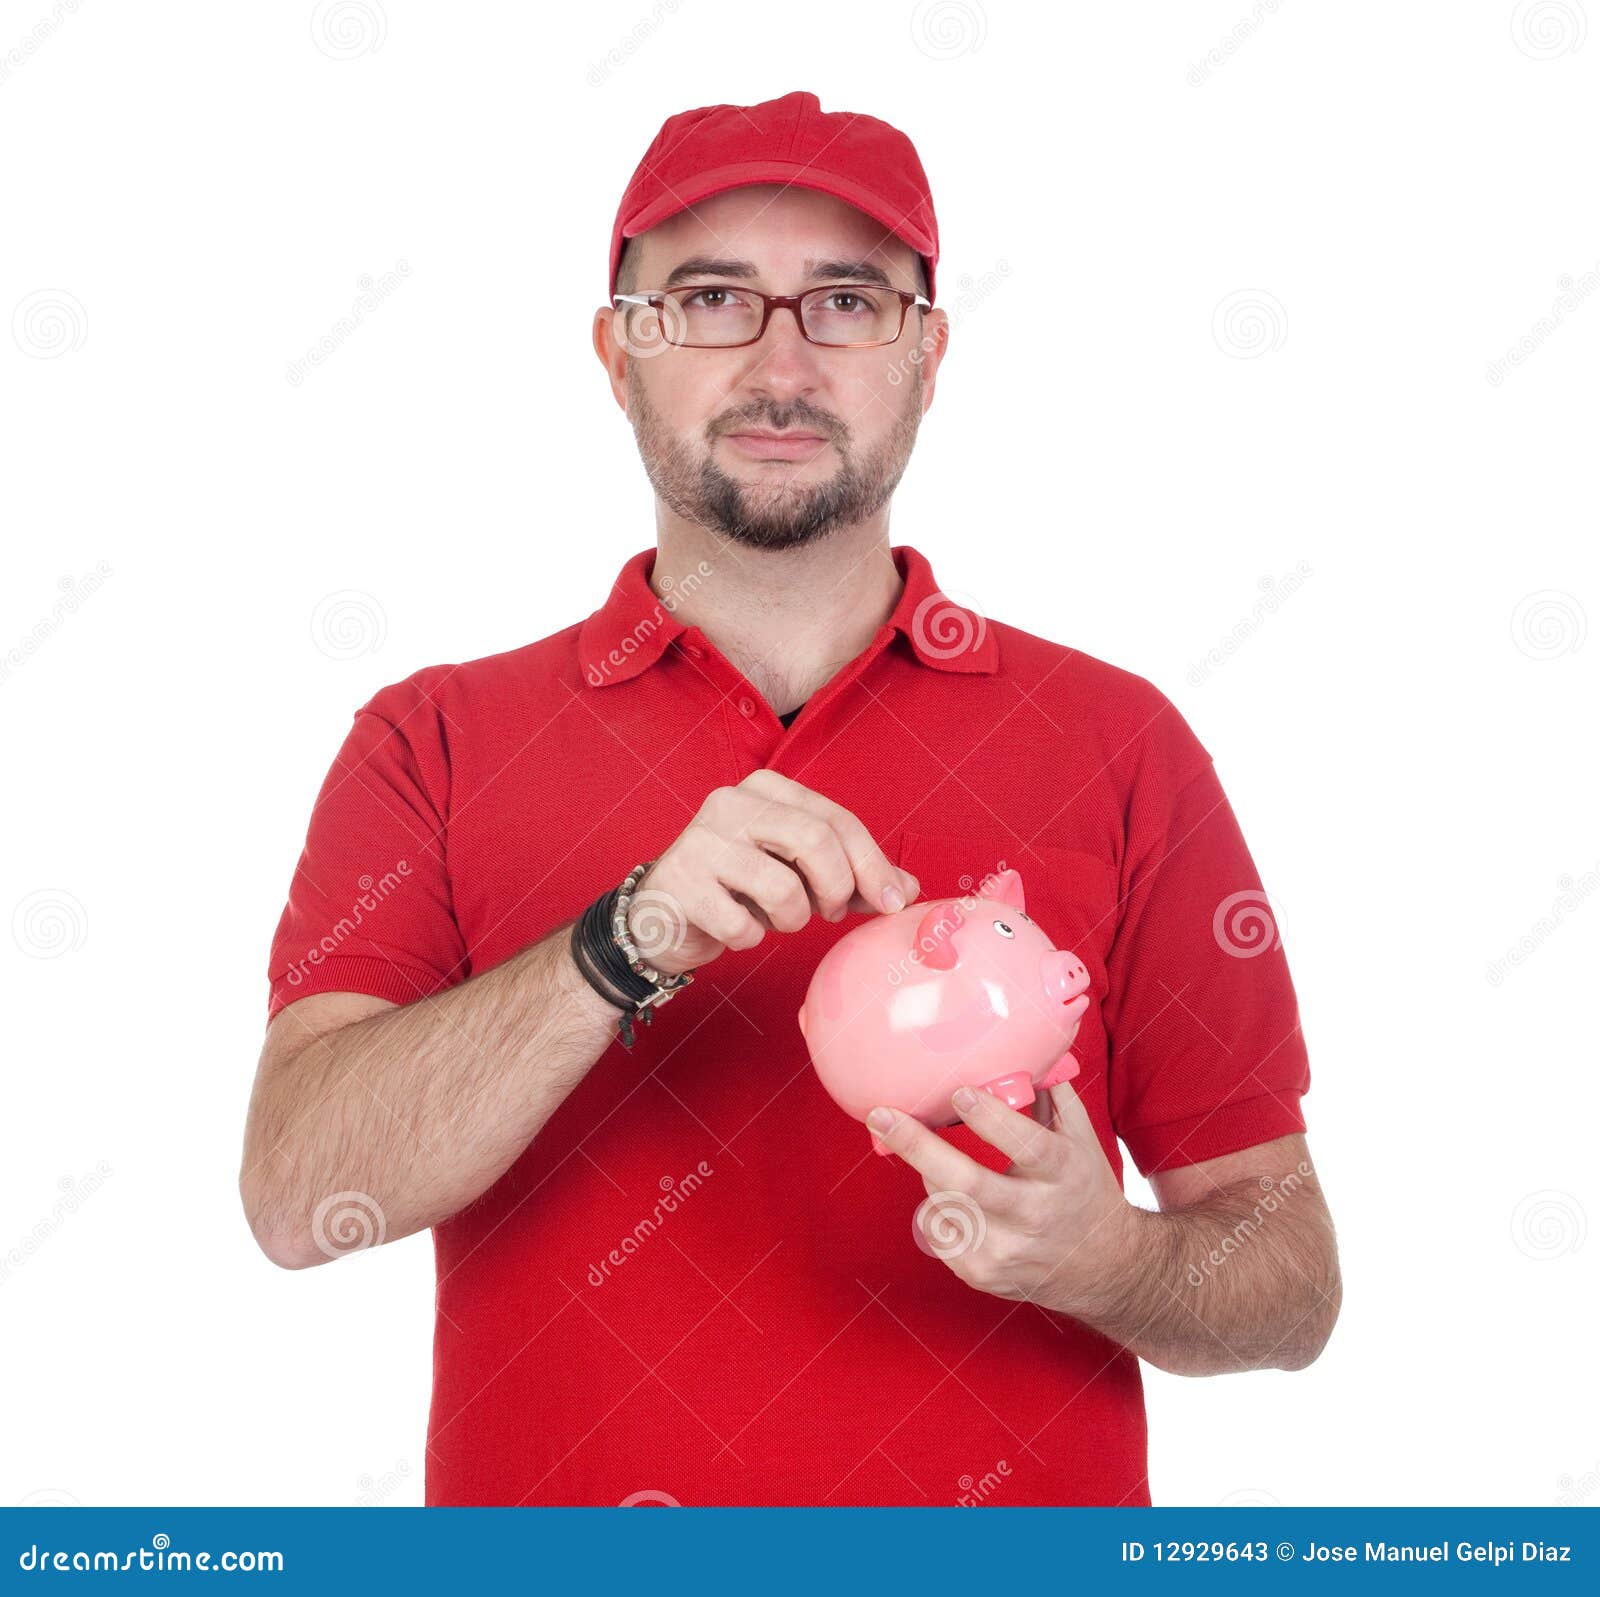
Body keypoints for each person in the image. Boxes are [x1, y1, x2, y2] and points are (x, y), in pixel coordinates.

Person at [240, 90, 1340, 1508]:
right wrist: (613, 945)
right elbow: (293, 1196)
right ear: (616, 351)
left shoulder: (1122, 743)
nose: (780, 362)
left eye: (845, 303)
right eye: (708, 300)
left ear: (928, 354)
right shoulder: (434, 742)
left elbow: (1289, 1273)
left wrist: (1111, 1258)